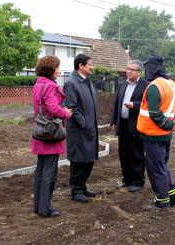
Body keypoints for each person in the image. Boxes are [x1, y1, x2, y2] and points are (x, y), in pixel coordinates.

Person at [137, 53, 175, 210]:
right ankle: (174, 194)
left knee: (156, 168)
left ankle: (162, 201)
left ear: (152, 68)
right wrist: (174, 121)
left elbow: (154, 113)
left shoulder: (154, 87)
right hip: (165, 135)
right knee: (162, 165)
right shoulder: (171, 84)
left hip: (153, 135)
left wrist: (169, 124)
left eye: (146, 67)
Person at [31, 56, 72, 218]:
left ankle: (38, 206)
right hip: (51, 133)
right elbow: (54, 109)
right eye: (57, 68)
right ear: (50, 69)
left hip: (40, 131)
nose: (59, 71)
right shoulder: (49, 86)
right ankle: (45, 208)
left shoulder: (38, 85)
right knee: (49, 171)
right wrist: (66, 113)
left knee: (40, 170)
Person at [63, 53, 99, 203]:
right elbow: (72, 107)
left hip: (90, 128)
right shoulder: (72, 83)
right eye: (89, 64)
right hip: (79, 130)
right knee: (79, 160)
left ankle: (82, 186)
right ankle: (76, 190)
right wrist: (84, 123)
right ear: (81, 65)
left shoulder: (86, 81)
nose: (92, 67)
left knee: (89, 159)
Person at [110, 60, 149, 192]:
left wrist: (135, 105)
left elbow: (148, 104)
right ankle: (126, 179)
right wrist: (114, 121)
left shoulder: (146, 86)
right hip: (123, 124)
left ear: (139, 72)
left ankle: (138, 182)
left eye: (132, 70)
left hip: (136, 125)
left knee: (136, 154)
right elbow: (117, 104)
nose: (129, 72)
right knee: (123, 154)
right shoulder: (122, 85)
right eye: (128, 69)